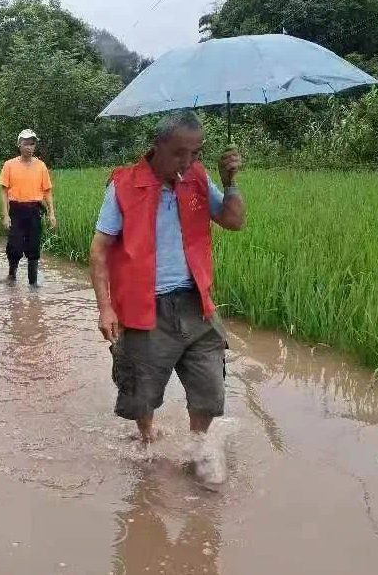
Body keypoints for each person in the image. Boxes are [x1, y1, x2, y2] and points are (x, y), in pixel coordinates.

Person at [88, 111, 245, 482]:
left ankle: (199, 447)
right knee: (140, 389)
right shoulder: (124, 185)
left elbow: (233, 221)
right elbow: (99, 249)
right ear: (157, 146)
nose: (187, 161)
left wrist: (230, 183)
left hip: (196, 301)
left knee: (209, 385)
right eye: (179, 153)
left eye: (195, 153)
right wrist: (105, 308)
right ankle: (147, 439)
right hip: (145, 305)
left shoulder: (198, 178)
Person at [0, 129, 57, 286]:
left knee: (33, 247)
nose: (29, 147)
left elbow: (47, 192)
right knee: (14, 246)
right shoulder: (9, 165)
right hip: (16, 211)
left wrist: (51, 213)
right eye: (26, 143)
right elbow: (4, 191)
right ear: (19, 144)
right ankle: (12, 275)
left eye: (32, 144)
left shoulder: (41, 166)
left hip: (34, 211)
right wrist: (5, 215)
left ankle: (33, 283)